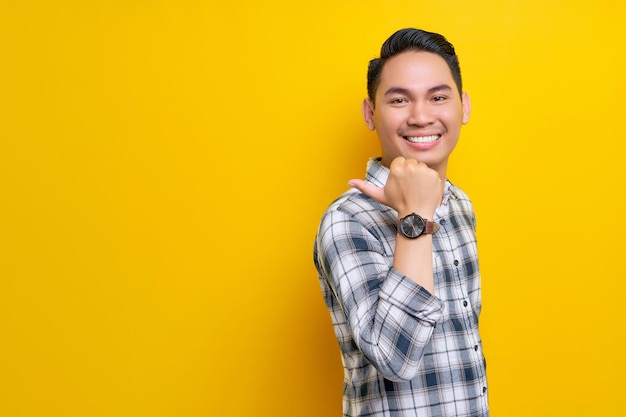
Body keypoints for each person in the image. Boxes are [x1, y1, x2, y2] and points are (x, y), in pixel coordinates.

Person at [313, 28, 489, 416]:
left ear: (464, 107)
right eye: (399, 100)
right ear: (370, 114)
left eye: (438, 97)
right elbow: (396, 360)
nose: (421, 116)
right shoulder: (347, 220)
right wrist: (415, 218)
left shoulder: (459, 205)